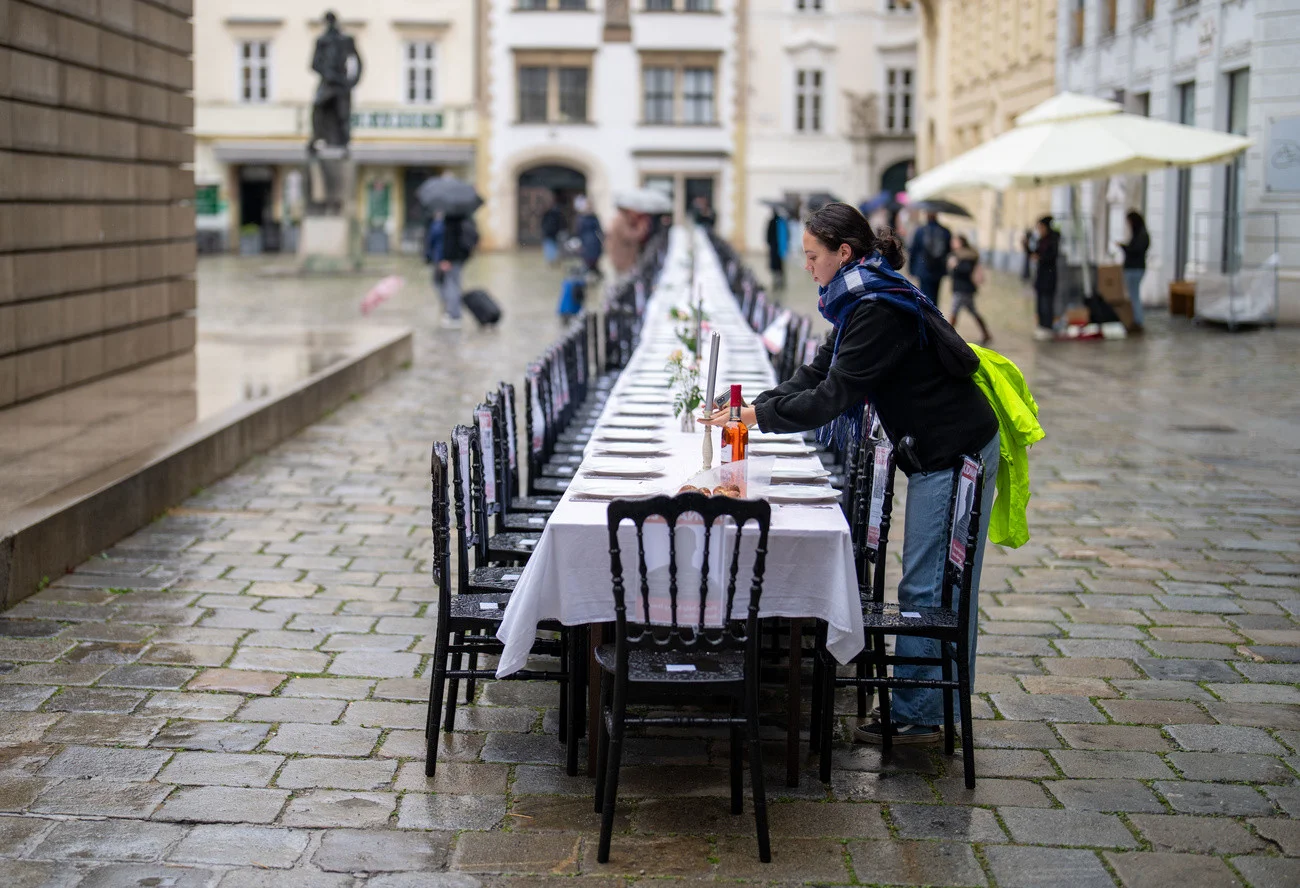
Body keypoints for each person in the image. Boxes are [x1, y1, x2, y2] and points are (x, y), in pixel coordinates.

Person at [705, 202, 1000, 745]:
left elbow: (833, 397)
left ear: (843, 253)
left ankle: (919, 717)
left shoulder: (875, 308)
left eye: (812, 255)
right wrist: (754, 404)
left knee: (929, 582)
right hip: (934, 445)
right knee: (930, 580)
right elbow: (817, 374)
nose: (806, 266)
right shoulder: (858, 297)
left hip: (953, 448)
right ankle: (928, 707)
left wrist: (756, 418)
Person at [426, 210, 477, 329]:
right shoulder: (458, 220)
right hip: (451, 259)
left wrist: (446, 259)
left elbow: (448, 241)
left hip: (448, 260)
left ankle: (454, 315)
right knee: (447, 284)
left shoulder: (450, 222)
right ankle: (451, 311)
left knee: (451, 286)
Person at [949, 235, 992, 345]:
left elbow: (966, 270)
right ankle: (986, 333)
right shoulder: (958, 254)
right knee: (972, 311)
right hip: (962, 288)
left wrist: (955, 266)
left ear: (961, 243)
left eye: (955, 242)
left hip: (963, 288)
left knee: (954, 310)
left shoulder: (966, 255)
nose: (953, 244)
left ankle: (947, 335)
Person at [909, 212, 952, 309]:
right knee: (935, 295)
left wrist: (911, 269)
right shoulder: (945, 231)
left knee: (924, 295)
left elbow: (913, 250)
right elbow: (948, 250)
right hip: (938, 268)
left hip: (923, 268)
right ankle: (934, 314)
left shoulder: (920, 231)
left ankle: (925, 314)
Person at [1116, 210, 1149, 332]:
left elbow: (1135, 250)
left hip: (1134, 268)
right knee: (1134, 294)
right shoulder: (1140, 234)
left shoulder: (1140, 235)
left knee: (1134, 295)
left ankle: (1137, 320)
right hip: (1136, 267)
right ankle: (1136, 319)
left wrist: (1124, 247)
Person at [1031, 216, 1059, 340]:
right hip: (1040, 276)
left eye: (1041, 227)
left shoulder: (1053, 240)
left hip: (1049, 276)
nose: (1039, 230)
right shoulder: (1041, 240)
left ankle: (1047, 327)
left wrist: (1041, 258)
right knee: (1040, 303)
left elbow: (1051, 256)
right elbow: (1034, 253)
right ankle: (1041, 325)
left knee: (1046, 303)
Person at [609, 204, 651, 276]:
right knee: (626, 278)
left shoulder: (623, 218)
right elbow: (630, 236)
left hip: (623, 257)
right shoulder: (621, 219)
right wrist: (642, 228)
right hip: (623, 258)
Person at [573, 195, 604, 276]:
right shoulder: (581, 218)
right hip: (585, 241)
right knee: (587, 259)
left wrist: (602, 240)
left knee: (594, 259)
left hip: (594, 241)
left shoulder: (594, 217)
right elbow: (578, 231)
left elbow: (599, 229)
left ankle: (594, 272)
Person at [765, 207, 789, 290]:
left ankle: (776, 280)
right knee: (780, 264)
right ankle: (780, 280)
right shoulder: (782, 221)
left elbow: (768, 234)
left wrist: (769, 242)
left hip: (774, 246)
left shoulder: (772, 221)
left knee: (775, 264)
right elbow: (787, 235)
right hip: (780, 247)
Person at [540, 197, 564, 267]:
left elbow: (560, 223)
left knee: (553, 246)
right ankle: (551, 260)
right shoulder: (548, 213)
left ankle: (552, 260)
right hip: (549, 233)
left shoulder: (555, 213)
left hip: (552, 233)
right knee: (550, 246)